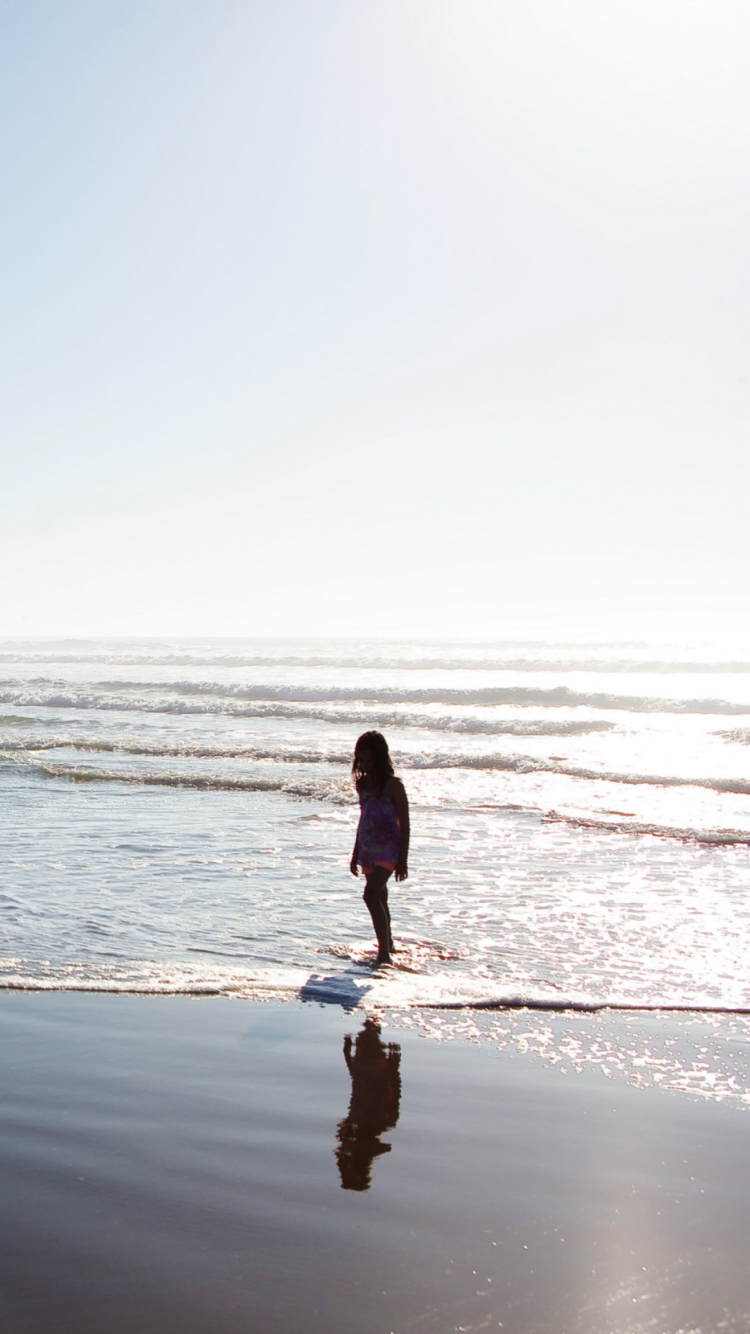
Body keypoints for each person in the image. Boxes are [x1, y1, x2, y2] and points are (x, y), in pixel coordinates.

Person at [350, 730, 409, 966]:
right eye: (360, 760)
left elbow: (405, 825)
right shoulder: (362, 784)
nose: (363, 765)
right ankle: (389, 943)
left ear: (381, 758)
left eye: (368, 760)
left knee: (371, 894)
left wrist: (403, 859)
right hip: (368, 847)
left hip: (389, 848)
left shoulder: (394, 786)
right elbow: (363, 819)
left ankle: (383, 954)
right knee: (380, 897)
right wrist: (355, 852)